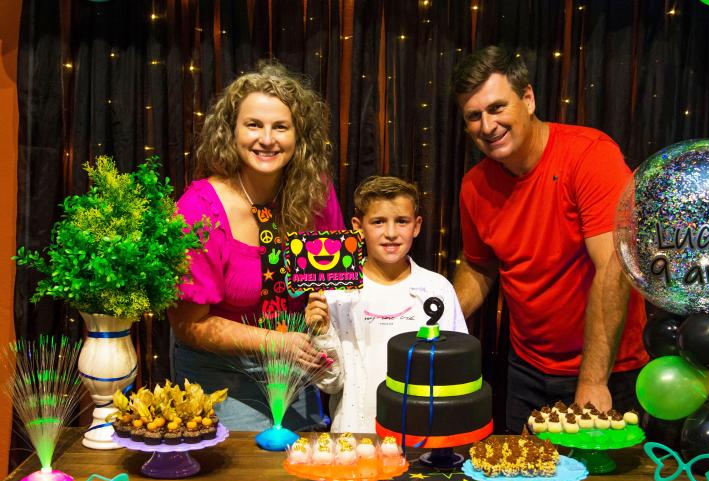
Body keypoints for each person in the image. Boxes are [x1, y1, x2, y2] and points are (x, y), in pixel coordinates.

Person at [451, 46, 648, 434]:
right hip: (526, 370)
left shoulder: (589, 155)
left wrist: (592, 382)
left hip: (608, 372)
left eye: (496, 108)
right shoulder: (474, 186)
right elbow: (479, 265)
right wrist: (435, 325)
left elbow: (615, 266)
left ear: (528, 98)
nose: (487, 126)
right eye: (474, 116)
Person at [168, 62, 345, 431]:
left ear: (299, 137)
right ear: (231, 131)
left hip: (297, 363)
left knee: (300, 476)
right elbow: (187, 325)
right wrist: (274, 343)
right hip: (221, 373)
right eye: (253, 125)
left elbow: (333, 281)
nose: (267, 139)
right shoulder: (199, 210)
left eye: (281, 127)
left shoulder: (316, 192)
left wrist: (323, 306)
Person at [304, 176, 468, 433]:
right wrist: (320, 333)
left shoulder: (437, 289)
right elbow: (331, 383)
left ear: (416, 226)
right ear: (358, 228)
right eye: (378, 222)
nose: (391, 233)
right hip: (355, 436)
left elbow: (456, 372)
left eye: (401, 221)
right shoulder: (336, 294)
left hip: (421, 436)